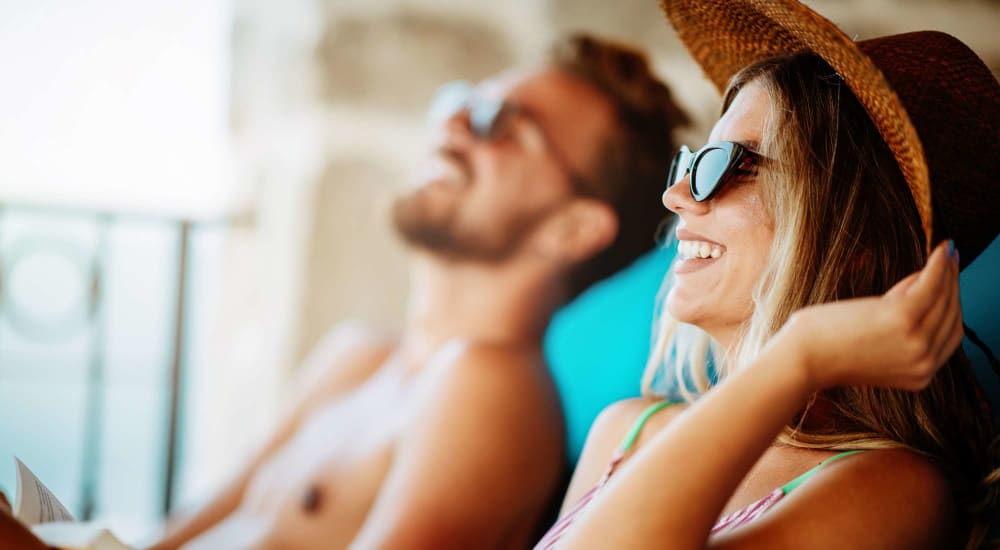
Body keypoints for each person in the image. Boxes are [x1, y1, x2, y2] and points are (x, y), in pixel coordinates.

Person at [149, 33, 688, 550]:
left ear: (571, 229)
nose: (451, 121)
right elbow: (174, 537)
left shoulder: (489, 386)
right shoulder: (356, 358)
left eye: (500, 122)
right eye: (463, 101)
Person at [535, 1, 1000, 549]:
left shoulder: (891, 491)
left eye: (731, 164)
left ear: (855, 245)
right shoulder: (626, 430)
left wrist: (800, 356)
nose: (677, 195)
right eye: (694, 161)